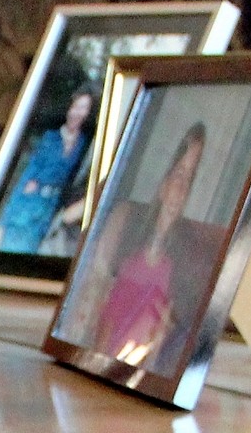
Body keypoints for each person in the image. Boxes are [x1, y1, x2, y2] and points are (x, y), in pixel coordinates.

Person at [72, 121, 221, 368]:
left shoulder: (186, 253)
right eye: (179, 175)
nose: (182, 190)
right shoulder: (125, 225)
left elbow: (166, 337)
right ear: (163, 180)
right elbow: (97, 305)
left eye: (190, 179)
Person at [0, 86, 94, 256]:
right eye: (75, 107)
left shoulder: (83, 144)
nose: (77, 113)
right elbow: (27, 177)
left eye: (83, 108)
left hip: (49, 211)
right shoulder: (49, 138)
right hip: (28, 206)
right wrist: (5, 221)